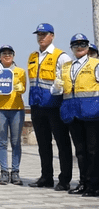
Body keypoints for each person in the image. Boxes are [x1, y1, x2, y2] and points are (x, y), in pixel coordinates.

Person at [27, 23, 73, 191]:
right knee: (43, 144)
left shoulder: (62, 56)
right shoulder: (32, 56)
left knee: (62, 143)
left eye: (44, 34)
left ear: (52, 36)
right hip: (37, 106)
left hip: (55, 106)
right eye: (38, 34)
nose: (41, 37)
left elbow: (66, 81)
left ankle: (64, 179)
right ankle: (46, 177)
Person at [60, 33, 99, 197]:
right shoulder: (67, 66)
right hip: (73, 113)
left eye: (82, 44)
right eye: (76, 45)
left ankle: (95, 185)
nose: (79, 47)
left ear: (88, 46)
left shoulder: (96, 64)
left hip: (92, 113)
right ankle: (83, 182)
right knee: (80, 151)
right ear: (71, 48)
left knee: (93, 150)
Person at [0, 45, 26, 185]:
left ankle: (15, 172)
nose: (7, 55)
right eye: (4, 53)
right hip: (0, 109)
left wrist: (20, 88)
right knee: (2, 142)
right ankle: (4, 171)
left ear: (14, 56)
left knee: (16, 142)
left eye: (9, 53)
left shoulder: (20, 71)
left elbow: (23, 89)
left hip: (16, 109)